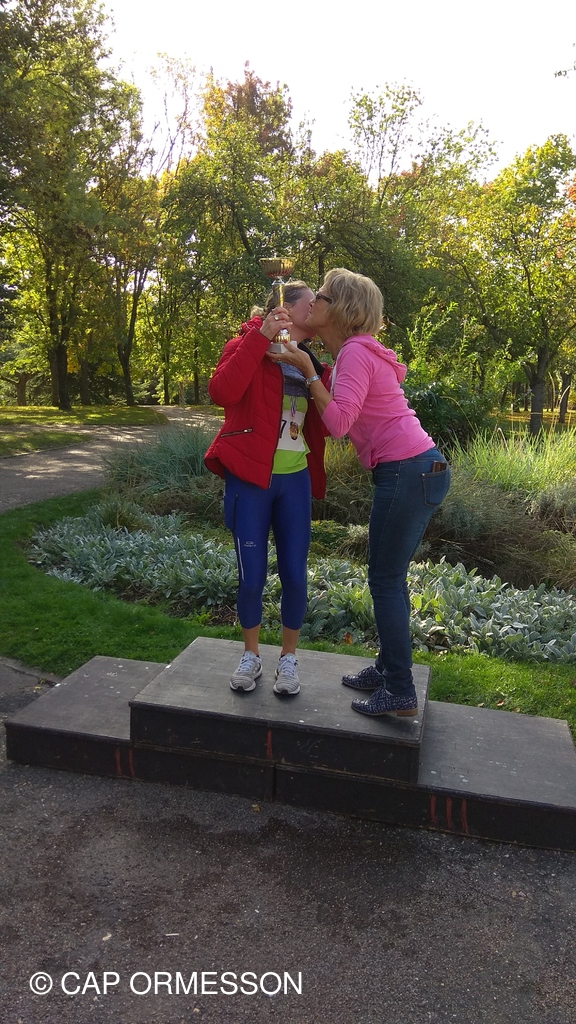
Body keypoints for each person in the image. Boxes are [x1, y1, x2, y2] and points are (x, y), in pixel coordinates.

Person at [268, 267, 450, 718]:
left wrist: (308, 372)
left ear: (341, 309)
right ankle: (388, 669)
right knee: (390, 577)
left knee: (384, 580)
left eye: (322, 295)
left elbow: (338, 424)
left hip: (407, 470)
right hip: (418, 468)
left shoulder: (354, 352)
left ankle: (400, 690)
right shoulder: (357, 351)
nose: (314, 301)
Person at [204, 281, 330, 696]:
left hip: (295, 480)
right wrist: (259, 337)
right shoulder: (244, 345)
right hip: (250, 479)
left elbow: (334, 419)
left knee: (294, 573)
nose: (318, 306)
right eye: (312, 301)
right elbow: (221, 392)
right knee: (251, 577)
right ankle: (251, 656)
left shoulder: (310, 361)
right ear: (285, 308)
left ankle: (288, 660)